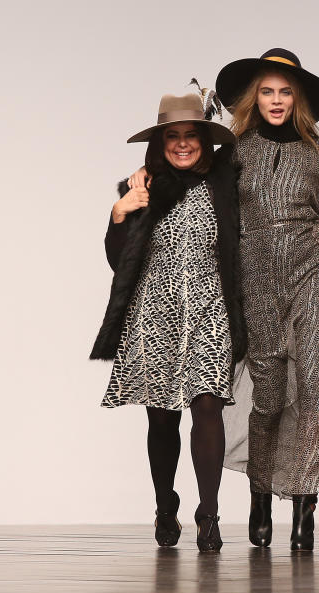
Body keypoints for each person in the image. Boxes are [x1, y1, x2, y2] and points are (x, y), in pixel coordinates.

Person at [215, 48, 319, 551]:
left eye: (285, 91)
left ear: (296, 97)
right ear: (253, 97)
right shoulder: (233, 151)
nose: (276, 100)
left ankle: (304, 508)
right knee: (270, 397)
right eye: (267, 90)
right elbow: (222, 224)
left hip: (314, 270)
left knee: (316, 386)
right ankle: (260, 495)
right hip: (257, 277)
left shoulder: (317, 149)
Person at [91, 92, 245, 553]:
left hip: (209, 309)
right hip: (154, 312)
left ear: (204, 141)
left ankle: (209, 515)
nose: (182, 145)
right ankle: (164, 505)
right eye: (173, 136)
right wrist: (121, 212)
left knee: (208, 406)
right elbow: (119, 261)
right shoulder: (141, 187)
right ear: (160, 143)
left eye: (191, 136)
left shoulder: (224, 183)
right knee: (161, 418)